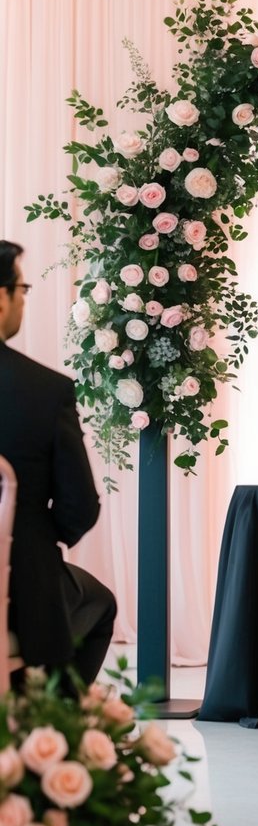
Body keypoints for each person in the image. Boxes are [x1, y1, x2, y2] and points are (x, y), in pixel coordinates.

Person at [0, 239, 116, 685]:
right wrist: (29, 533)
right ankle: (51, 735)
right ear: (2, 295)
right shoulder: (45, 392)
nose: (23, 300)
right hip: (18, 588)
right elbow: (79, 508)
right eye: (23, 288)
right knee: (98, 602)